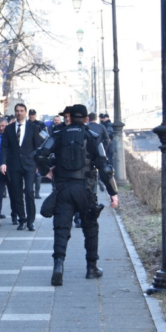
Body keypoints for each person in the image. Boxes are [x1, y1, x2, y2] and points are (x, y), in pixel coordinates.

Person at [35, 104, 119, 287]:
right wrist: (113, 192)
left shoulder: (58, 135)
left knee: (61, 228)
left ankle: (58, 266)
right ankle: (92, 267)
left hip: (63, 189)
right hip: (85, 189)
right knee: (90, 228)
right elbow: (105, 167)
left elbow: (39, 155)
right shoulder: (92, 137)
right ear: (86, 119)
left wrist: (47, 172)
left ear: (70, 118)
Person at [0, 104, 43, 231]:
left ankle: (30, 221)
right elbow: (4, 147)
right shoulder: (9, 128)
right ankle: (22, 219)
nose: (19, 113)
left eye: (21, 111)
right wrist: (3, 163)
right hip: (14, 165)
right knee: (17, 193)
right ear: (15, 112)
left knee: (29, 191)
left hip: (29, 164)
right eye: (17, 111)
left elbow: (37, 147)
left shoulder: (33, 127)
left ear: (25, 112)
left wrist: (37, 164)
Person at [28, 109, 46, 199]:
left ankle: (37, 192)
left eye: (33, 114)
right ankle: (29, 191)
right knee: (29, 173)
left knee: (38, 174)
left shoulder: (40, 124)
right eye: (30, 114)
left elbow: (46, 137)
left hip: (39, 149)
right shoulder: (26, 124)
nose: (32, 116)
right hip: (29, 150)